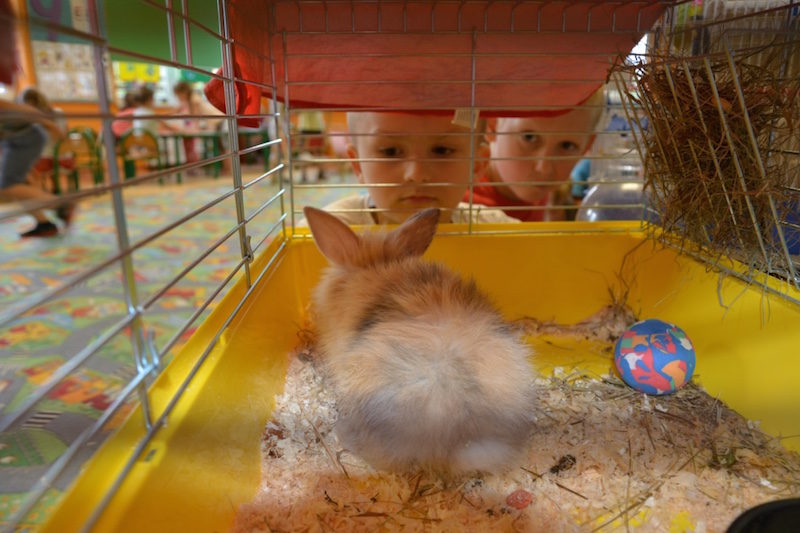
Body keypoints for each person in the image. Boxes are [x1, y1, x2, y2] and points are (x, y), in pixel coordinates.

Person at [315, 111, 516, 225]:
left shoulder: (500, 231)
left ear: (477, 165)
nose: (417, 174)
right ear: (358, 165)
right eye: (391, 151)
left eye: (442, 150)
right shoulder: (328, 232)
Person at [467, 88, 605, 222]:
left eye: (566, 146)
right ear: (493, 124)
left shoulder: (546, 197)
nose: (544, 168)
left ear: (587, 147)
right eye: (529, 137)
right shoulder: (460, 202)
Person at [0, 98, 73, 237]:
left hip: (26, 138)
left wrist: (49, 124)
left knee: (7, 185)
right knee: (17, 186)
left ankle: (61, 205)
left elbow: (23, 108)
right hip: (14, 142)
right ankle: (44, 224)